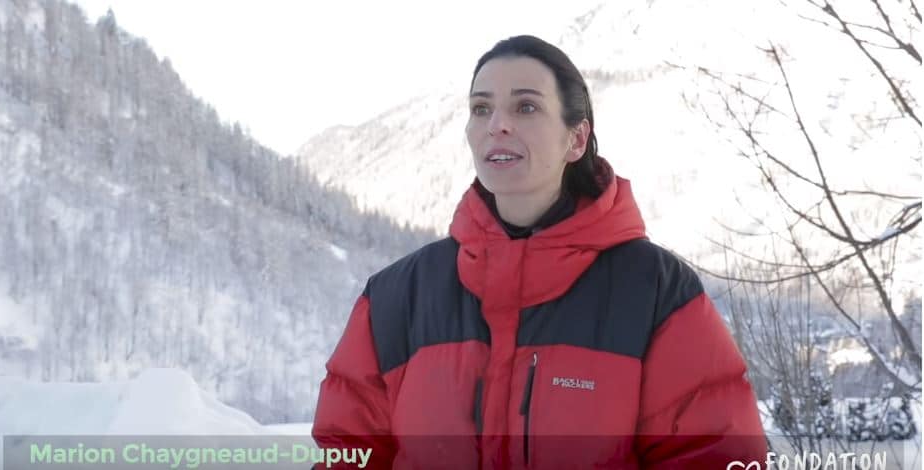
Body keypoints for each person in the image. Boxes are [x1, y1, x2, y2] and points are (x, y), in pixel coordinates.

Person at [312, 35, 767, 469]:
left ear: (576, 139)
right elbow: (349, 457)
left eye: (525, 106)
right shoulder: (395, 298)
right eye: (481, 108)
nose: (498, 124)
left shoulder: (655, 294)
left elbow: (712, 456)